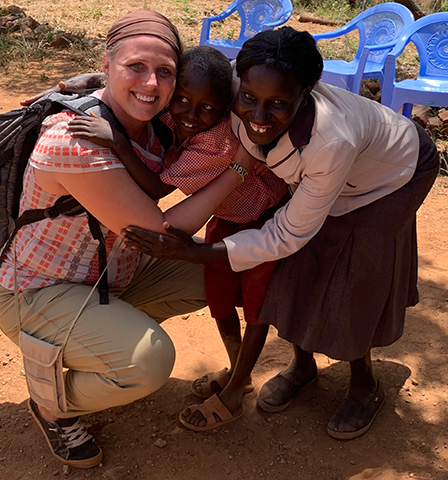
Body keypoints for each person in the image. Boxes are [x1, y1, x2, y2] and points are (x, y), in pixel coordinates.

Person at [122, 26, 439, 440]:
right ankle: (303, 366)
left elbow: (283, 236)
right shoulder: (242, 80)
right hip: (330, 180)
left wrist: (195, 253)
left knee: (353, 275)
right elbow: (175, 91)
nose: (257, 116)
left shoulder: (330, 141)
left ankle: (364, 384)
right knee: (295, 270)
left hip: (394, 174)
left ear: (305, 94)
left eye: (278, 105)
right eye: (249, 99)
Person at [0, 10, 256, 468]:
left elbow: (224, 92)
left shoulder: (158, 117)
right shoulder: (75, 140)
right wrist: (240, 168)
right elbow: (162, 234)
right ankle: (52, 402)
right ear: (108, 63)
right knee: (149, 362)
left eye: (165, 73)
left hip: (110, 272)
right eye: (136, 67)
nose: (151, 84)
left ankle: (102, 337)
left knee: (216, 277)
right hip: (36, 290)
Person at [66, 45, 288, 431]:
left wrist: (117, 141)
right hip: (226, 217)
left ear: (224, 109)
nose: (189, 114)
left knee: (255, 309)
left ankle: (235, 390)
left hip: (263, 223)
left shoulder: (215, 143)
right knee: (219, 301)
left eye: (206, 108)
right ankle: (239, 371)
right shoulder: (178, 116)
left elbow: (156, 186)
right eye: (182, 100)